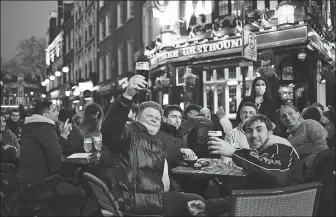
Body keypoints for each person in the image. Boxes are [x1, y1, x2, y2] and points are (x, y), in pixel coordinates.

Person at [99, 75, 204, 216]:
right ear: (137, 118)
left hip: (154, 198)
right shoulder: (130, 133)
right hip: (137, 204)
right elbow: (110, 130)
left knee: (197, 202)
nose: (154, 120)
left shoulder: (158, 144)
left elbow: (165, 176)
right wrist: (127, 96)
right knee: (199, 202)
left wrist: (179, 192)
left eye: (157, 119)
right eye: (149, 116)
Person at [188, 114, 303, 216]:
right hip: (262, 206)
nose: (253, 135)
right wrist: (208, 206)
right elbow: (248, 195)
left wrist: (234, 153)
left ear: (270, 133)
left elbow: (278, 176)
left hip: (283, 208)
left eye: (259, 130)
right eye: (249, 131)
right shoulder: (260, 156)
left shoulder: (281, 147)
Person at [16, 100, 85, 215]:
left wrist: (63, 136)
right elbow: (55, 157)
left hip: (26, 183)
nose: (57, 113)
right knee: (80, 193)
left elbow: (50, 151)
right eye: (54, 110)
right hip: (39, 185)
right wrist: (59, 175)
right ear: (46, 115)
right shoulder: (45, 128)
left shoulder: (32, 127)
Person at [278, 105, 329, 173]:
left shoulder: (309, 123)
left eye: (290, 113)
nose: (288, 117)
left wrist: (307, 165)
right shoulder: (289, 137)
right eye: (284, 116)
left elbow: (323, 144)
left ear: (298, 113)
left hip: (316, 171)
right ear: (281, 121)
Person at [157, 105, 196, 169]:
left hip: (181, 173)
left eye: (180, 117)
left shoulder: (182, 136)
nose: (178, 121)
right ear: (164, 119)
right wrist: (180, 151)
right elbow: (158, 157)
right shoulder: (157, 135)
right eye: (174, 117)